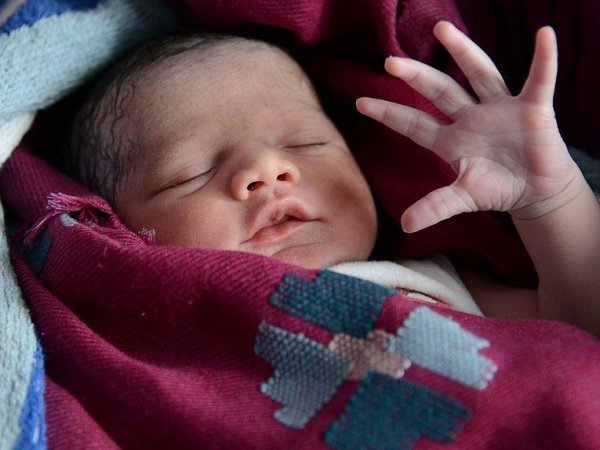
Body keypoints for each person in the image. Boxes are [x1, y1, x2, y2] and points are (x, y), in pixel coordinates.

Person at [67, 22, 600, 334]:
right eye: (192, 173)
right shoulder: (156, 336)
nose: (267, 169)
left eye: (305, 143)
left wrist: (550, 200)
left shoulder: (429, 284)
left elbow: (581, 328)